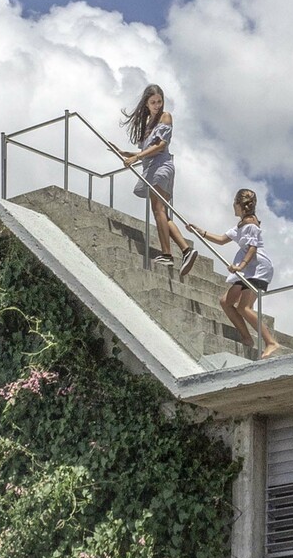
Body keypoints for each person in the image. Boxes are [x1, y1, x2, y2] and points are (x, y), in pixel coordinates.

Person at [109, 84, 198, 277]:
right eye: (153, 102)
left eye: (159, 101)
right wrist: (128, 153)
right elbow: (148, 151)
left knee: (158, 210)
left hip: (161, 166)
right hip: (152, 167)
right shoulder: (147, 122)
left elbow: (161, 146)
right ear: (147, 103)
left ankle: (167, 254)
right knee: (161, 213)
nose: (157, 105)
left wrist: (136, 158)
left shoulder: (165, 117)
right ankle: (186, 250)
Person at [188, 189, 280, 359]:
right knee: (226, 301)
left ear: (240, 205)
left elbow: (253, 247)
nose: (233, 206)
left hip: (257, 268)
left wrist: (241, 265)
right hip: (248, 268)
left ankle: (271, 342)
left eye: (234, 203)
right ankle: (246, 337)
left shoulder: (251, 224)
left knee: (244, 307)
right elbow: (222, 240)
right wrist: (200, 232)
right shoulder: (241, 224)